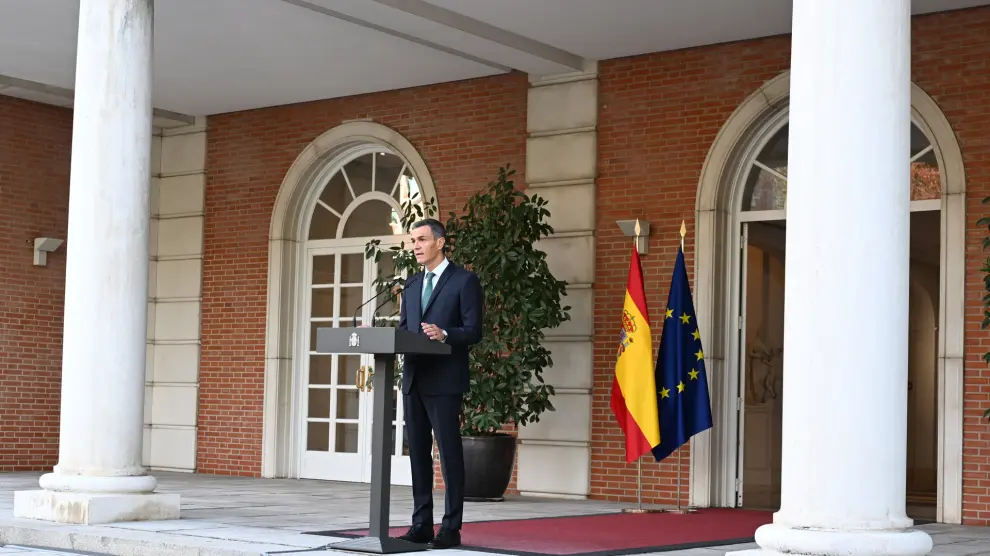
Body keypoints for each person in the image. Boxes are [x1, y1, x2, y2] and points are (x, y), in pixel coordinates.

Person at [396, 218, 483, 549]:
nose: (415, 246)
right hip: (414, 378)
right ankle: (421, 524)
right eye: (413, 240)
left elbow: (474, 330)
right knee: (418, 454)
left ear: (441, 242)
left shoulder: (464, 281)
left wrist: (446, 334)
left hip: (445, 380)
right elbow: (406, 330)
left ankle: (451, 528)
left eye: (421, 239)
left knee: (448, 454)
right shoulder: (412, 284)